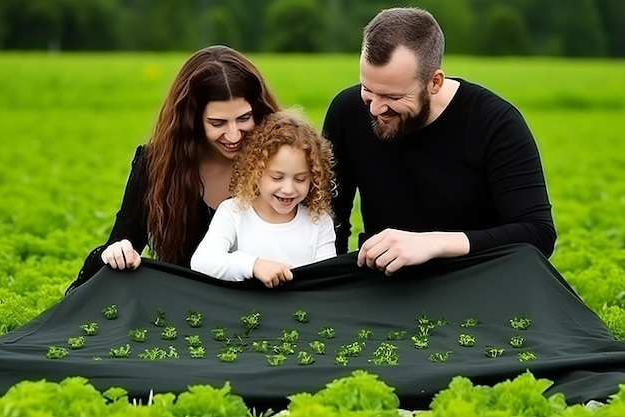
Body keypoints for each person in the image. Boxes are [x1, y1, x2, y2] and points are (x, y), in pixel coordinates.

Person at [322, 7, 556, 276]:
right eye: (367, 89)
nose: (375, 108)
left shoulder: (495, 123)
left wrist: (434, 243)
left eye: (393, 97)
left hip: (476, 276)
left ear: (434, 82)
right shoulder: (347, 111)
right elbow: (329, 216)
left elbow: (537, 232)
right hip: (386, 280)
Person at [65, 45, 280, 294]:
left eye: (243, 118)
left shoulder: (279, 161)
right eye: (218, 123)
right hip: (183, 305)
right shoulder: (156, 164)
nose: (233, 135)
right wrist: (115, 252)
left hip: (262, 301)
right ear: (191, 120)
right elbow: (122, 243)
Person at [190, 109, 337, 288]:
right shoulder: (234, 211)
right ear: (256, 172)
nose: (288, 189)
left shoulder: (319, 221)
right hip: (245, 312)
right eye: (277, 177)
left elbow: (328, 281)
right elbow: (202, 261)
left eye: (300, 179)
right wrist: (253, 265)